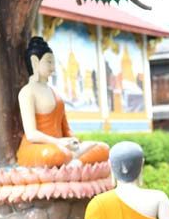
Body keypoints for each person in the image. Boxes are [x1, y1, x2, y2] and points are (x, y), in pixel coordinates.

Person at [16, 36, 105, 167]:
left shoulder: (54, 92)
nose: (53, 68)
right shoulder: (27, 92)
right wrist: (58, 142)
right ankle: (73, 161)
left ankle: (74, 162)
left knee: (102, 148)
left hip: (62, 146)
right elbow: (31, 134)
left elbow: (66, 128)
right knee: (55, 154)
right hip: (39, 147)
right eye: (49, 62)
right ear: (35, 62)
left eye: (53, 63)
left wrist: (73, 141)